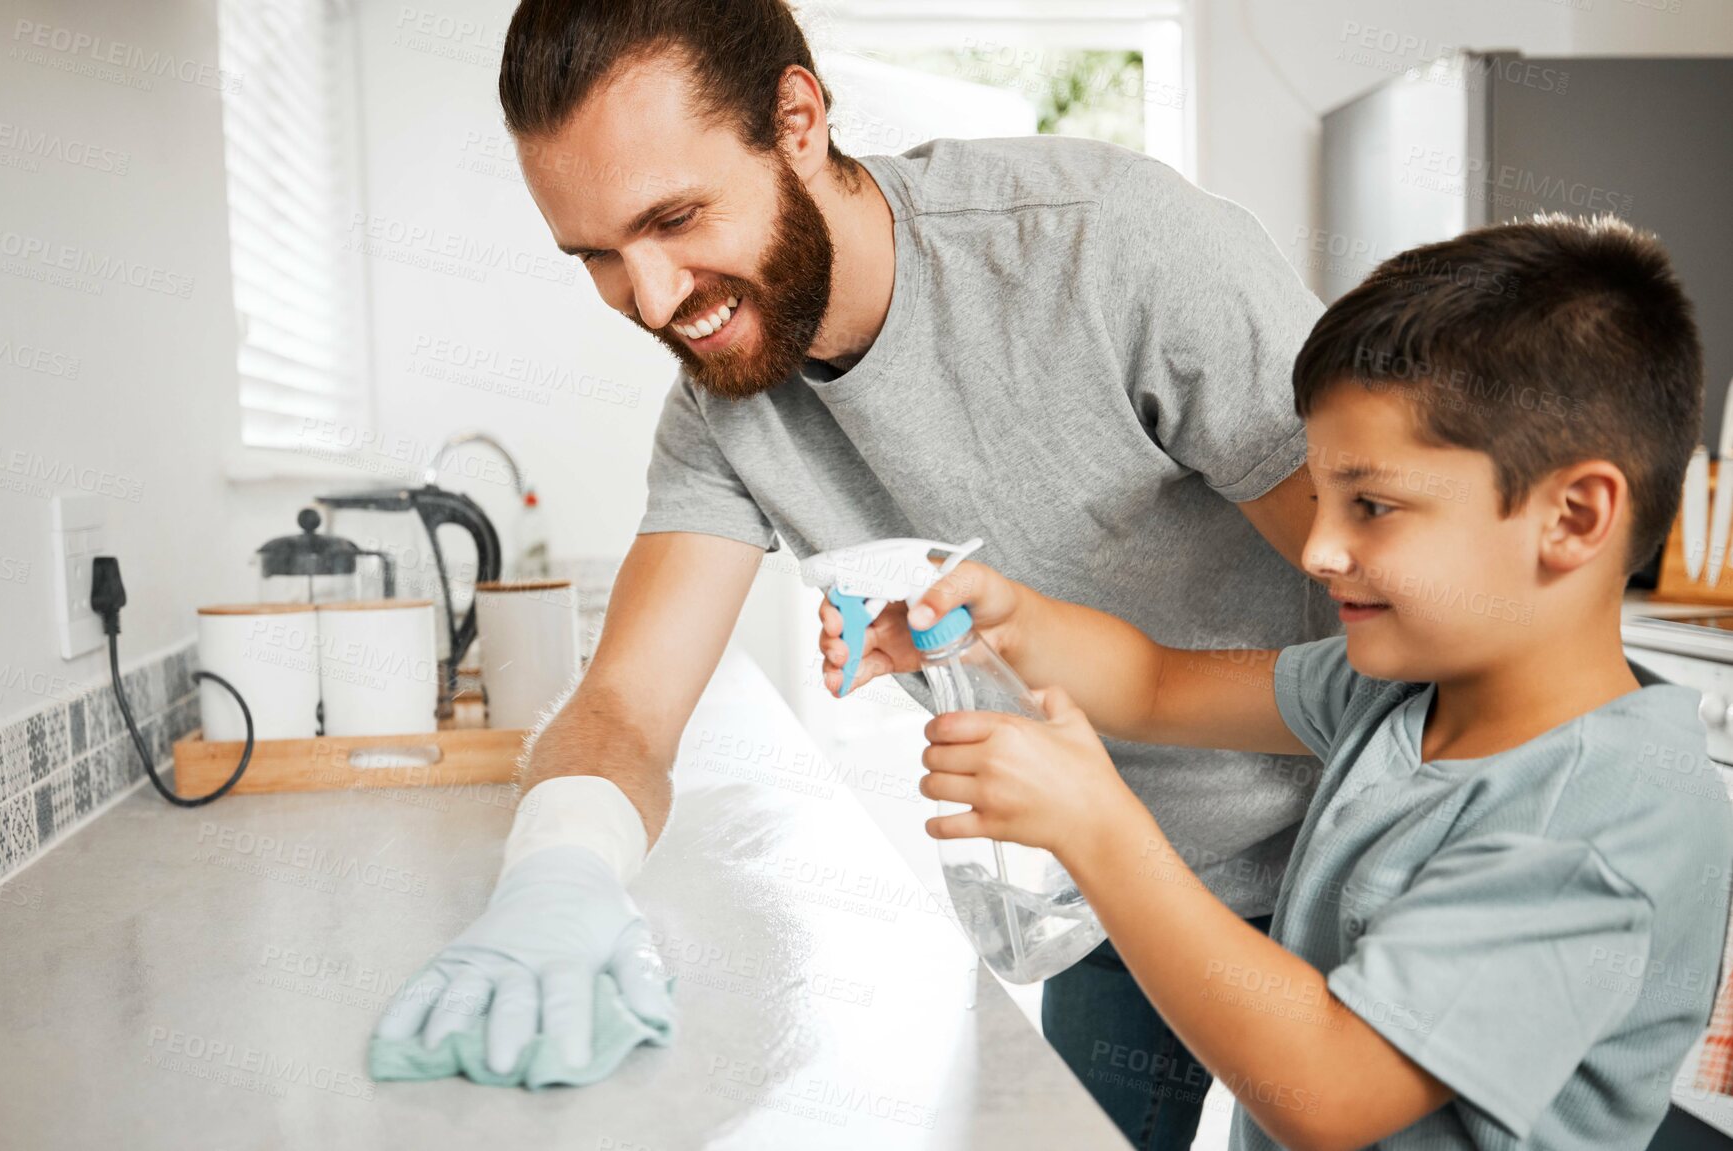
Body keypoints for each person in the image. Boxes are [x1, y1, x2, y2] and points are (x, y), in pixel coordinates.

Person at [369, 2, 1332, 1144]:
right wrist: (557, 869)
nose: (655, 297)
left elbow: (1407, 611)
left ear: (798, 120)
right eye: (596, 257)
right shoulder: (723, 412)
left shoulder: (1114, 252)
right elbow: (625, 704)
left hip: (1347, 855)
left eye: (675, 218)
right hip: (1110, 885)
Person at [822, 214, 1733, 1149]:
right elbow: (1157, 685)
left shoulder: (1599, 821)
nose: (1320, 546)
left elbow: (1328, 1089)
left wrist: (1097, 826)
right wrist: (1001, 622)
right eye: (1329, 497)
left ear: (1574, 517)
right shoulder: (1405, 692)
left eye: (1372, 505)